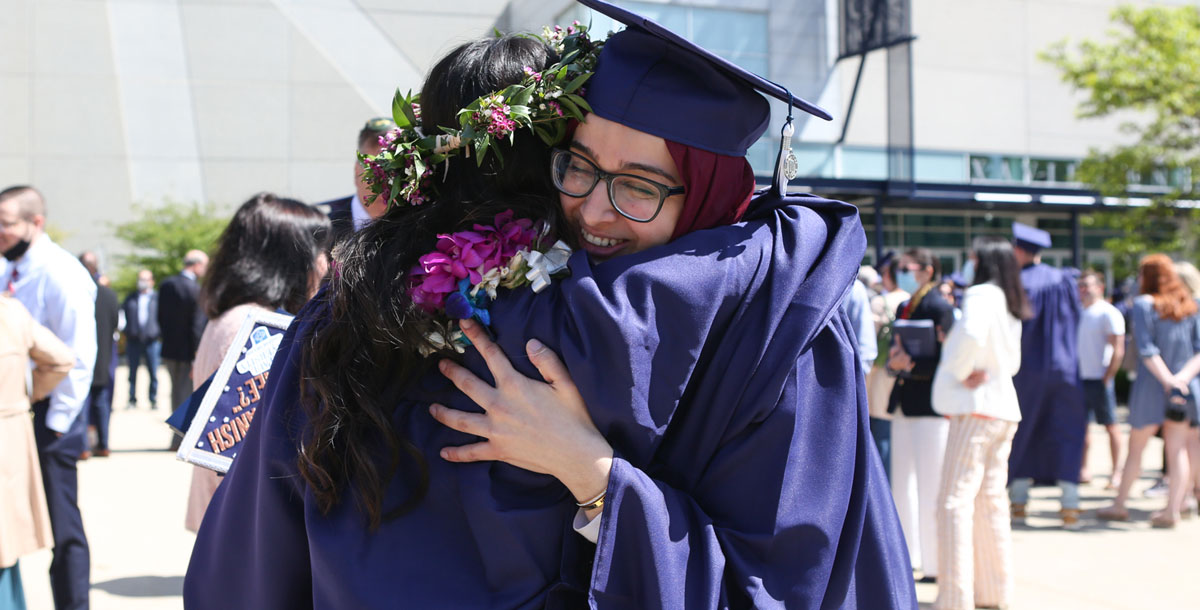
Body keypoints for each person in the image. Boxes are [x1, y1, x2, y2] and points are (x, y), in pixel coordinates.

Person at [187, 8, 914, 608]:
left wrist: (597, 476)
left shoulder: (760, 328)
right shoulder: (533, 312)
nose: (595, 207)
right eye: (579, 167)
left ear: (713, 195)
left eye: (641, 185)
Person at [184, 192, 331, 533]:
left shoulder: (231, 317)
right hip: (247, 528)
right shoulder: (255, 327)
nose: (326, 262)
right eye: (320, 249)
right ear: (290, 258)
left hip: (229, 522)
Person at [0, 185, 97, 610]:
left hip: (52, 415)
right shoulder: (10, 269)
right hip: (18, 416)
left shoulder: (62, 272)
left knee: (61, 527)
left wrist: (54, 421)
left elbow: (77, 357)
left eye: (5, 223)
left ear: (35, 222)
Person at [930, 237, 1030, 610]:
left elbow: (969, 335)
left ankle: (955, 598)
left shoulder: (983, 295)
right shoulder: (1010, 298)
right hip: (1003, 407)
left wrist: (960, 370)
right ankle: (994, 592)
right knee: (991, 502)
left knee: (953, 502)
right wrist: (977, 368)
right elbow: (1014, 361)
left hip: (975, 408)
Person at [1098, 254, 1200, 528]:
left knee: (1137, 448)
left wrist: (1168, 380)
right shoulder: (1191, 305)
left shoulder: (1144, 304)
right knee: (1177, 449)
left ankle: (1119, 505)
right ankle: (1172, 510)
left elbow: (1146, 349)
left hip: (1152, 387)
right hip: (1185, 387)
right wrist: (1181, 379)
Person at [1007, 222, 1086, 529]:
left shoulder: (1016, 283)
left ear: (1018, 249)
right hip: (1066, 369)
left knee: (1024, 432)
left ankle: (1019, 503)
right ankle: (1070, 506)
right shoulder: (1064, 280)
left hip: (1026, 370)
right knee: (1066, 431)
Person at [0, 295, 75, 610]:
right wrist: (24, 397)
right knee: (5, 547)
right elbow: (60, 359)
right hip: (8, 435)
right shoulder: (10, 311)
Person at [886, 247, 955, 583]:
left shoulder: (941, 307)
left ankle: (934, 563)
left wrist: (911, 364)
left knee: (931, 487)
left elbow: (947, 357)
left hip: (930, 405)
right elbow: (894, 350)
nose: (902, 272)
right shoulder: (903, 305)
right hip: (905, 401)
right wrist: (896, 362)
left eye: (907, 267)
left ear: (927, 270)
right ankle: (907, 556)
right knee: (902, 486)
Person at [1076, 269, 1125, 488]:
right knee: (1082, 427)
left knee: (1111, 426)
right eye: (1081, 286)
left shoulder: (1108, 312)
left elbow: (1118, 349)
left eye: (1088, 285)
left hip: (1100, 379)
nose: (1084, 290)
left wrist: (1108, 376)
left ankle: (1116, 473)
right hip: (1079, 378)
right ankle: (1083, 469)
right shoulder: (1077, 311)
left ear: (1100, 287)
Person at [866, 253, 908, 480]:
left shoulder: (880, 302)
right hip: (907, 377)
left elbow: (868, 342)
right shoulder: (911, 300)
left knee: (880, 434)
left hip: (881, 375)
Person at [320, 117, 396, 242]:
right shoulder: (322, 233)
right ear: (356, 172)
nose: (383, 182)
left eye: (392, 171)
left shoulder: (416, 230)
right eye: (373, 170)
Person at [158, 250, 208, 412]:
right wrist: (197, 354)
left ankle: (176, 435)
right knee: (186, 394)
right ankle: (181, 437)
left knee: (175, 392)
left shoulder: (166, 285)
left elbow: (159, 317)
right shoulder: (195, 289)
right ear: (197, 265)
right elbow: (197, 326)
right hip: (188, 352)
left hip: (169, 349)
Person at [81, 253, 119, 459]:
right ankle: (103, 444)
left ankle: (83, 446)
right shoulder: (109, 294)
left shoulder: (76, 292)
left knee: (83, 402)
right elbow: (115, 324)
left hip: (82, 356)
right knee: (101, 402)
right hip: (103, 356)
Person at [121, 269, 160, 410]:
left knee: (153, 372)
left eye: (145, 279)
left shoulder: (157, 298)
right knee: (132, 372)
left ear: (152, 281)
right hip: (133, 340)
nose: (142, 282)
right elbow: (122, 315)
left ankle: (153, 399)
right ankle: (132, 399)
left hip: (152, 341)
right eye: (140, 279)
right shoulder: (130, 298)